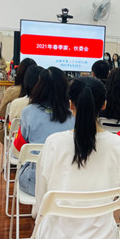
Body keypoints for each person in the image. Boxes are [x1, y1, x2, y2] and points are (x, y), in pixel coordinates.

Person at [34, 77, 120, 239]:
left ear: (70, 104)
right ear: (104, 104)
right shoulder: (118, 144)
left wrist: (38, 217)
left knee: (50, 220)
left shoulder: (54, 143)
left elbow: (41, 200)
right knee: (81, 216)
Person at [15, 67, 75, 195]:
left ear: (39, 86)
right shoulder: (72, 115)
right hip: (66, 183)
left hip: (34, 182)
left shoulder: (28, 112)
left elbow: (20, 147)